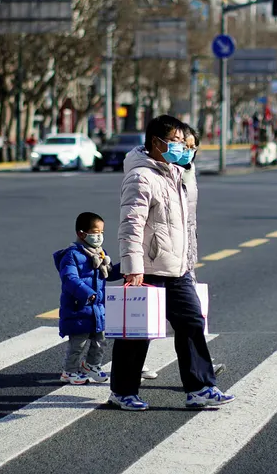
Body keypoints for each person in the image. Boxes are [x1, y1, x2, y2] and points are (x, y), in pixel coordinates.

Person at [108, 115, 235, 411]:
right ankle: (122, 391)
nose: (182, 146)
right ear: (157, 142)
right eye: (177, 141)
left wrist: (187, 261)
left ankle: (200, 388)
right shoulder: (141, 177)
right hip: (149, 268)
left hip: (177, 269)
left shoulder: (174, 173)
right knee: (137, 334)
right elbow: (130, 224)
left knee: (192, 322)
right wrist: (132, 266)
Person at [53, 212, 120, 385]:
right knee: (78, 344)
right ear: (82, 233)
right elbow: (70, 278)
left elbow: (109, 273)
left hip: (97, 308)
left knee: (100, 340)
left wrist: (127, 268)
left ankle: (92, 365)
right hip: (79, 307)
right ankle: (69, 371)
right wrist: (86, 293)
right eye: (95, 232)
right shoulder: (71, 255)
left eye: (102, 233)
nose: (99, 237)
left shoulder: (100, 254)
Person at [178, 125, 224, 376]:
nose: (188, 151)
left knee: (189, 317)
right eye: (183, 145)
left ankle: (201, 368)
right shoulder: (160, 172)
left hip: (184, 254)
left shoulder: (189, 170)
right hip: (160, 257)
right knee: (183, 315)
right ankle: (130, 369)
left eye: (192, 147)